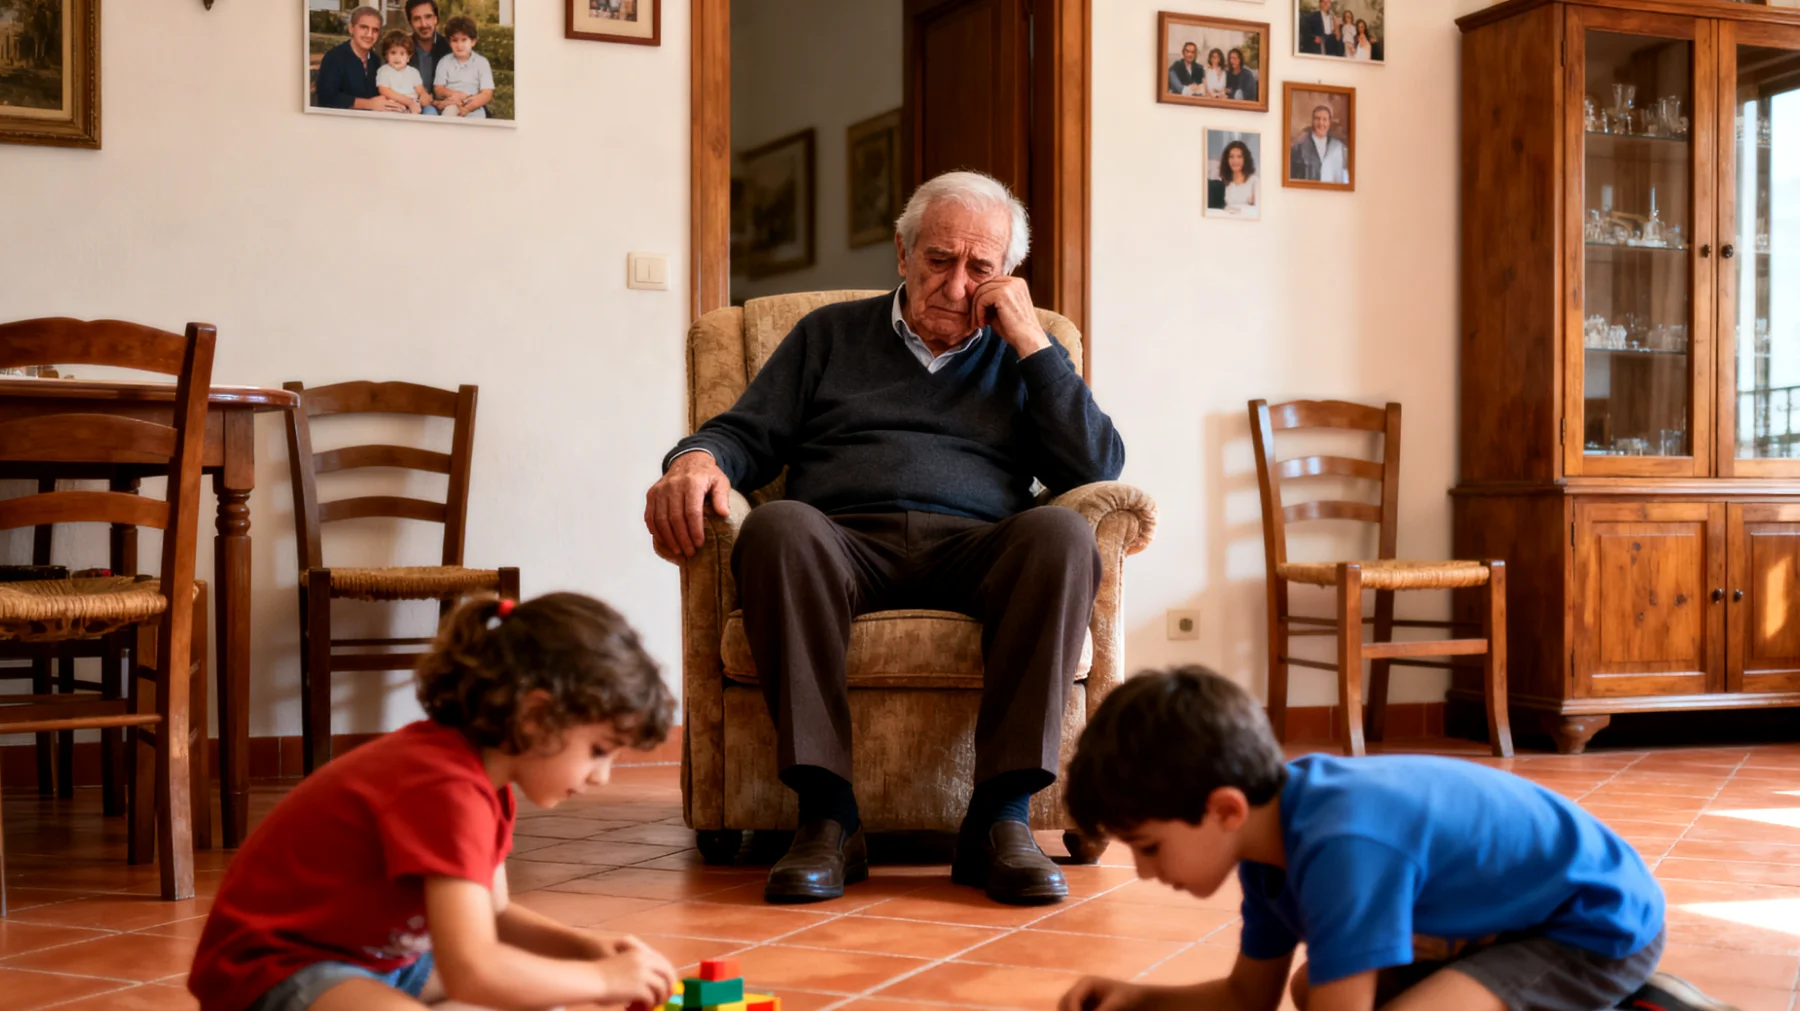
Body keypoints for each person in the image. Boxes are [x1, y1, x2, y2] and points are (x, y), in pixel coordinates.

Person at [645, 170, 1125, 908]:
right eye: (939, 259)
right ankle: (829, 815)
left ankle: (999, 818)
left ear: (1006, 276)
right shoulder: (827, 336)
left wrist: (1032, 340)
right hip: (843, 540)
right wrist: (695, 459)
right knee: (776, 525)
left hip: (978, 546)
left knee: (1061, 534)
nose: (957, 284)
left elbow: (1094, 466)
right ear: (901, 253)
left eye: (980, 268)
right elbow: (743, 434)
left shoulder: (1030, 351)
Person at [1055, 666, 1739, 1011]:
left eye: (1147, 845)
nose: (1145, 872)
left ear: (1225, 807)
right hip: (1512, 925)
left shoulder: (1342, 845)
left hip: (1595, 923)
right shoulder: (1268, 846)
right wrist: (1142, 998)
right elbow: (1247, 996)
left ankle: (1641, 1002)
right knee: (1310, 984)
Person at [186, 594, 680, 1011]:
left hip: (376, 959)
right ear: (535, 716)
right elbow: (474, 972)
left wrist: (587, 950)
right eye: (598, 751)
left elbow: (496, 915)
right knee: (502, 987)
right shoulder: (444, 787)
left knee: (535, 989)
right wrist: (604, 980)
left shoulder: (486, 782)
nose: (602, 776)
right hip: (273, 967)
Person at [313, 6, 404, 112]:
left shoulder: (375, 60)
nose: (369, 34)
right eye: (364, 27)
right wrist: (368, 104)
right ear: (351, 28)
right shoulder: (334, 57)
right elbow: (327, 98)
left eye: (375, 30)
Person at [434, 16, 495, 119]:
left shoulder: (482, 63)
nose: (459, 45)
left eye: (464, 40)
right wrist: (456, 95)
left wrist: (467, 106)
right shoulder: (444, 62)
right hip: (451, 104)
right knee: (449, 117)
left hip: (474, 104)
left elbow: (487, 93)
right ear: (449, 42)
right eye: (455, 40)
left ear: (473, 41)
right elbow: (438, 90)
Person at [375, 32, 434, 115]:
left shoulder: (413, 72)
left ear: (408, 57)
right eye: (393, 53)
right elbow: (384, 90)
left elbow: (420, 90)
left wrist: (424, 96)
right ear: (386, 55)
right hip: (393, 103)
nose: (397, 57)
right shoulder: (384, 70)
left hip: (412, 105)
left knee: (429, 111)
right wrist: (408, 102)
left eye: (402, 53)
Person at [1290, 103, 1349, 184]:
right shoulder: (1299, 146)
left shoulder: (1338, 147)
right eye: (1317, 119)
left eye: (1325, 119)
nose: (1321, 123)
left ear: (1329, 122)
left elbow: (1346, 177)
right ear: (1312, 121)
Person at [405, 0, 452, 99]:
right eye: (417, 19)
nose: (424, 24)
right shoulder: (401, 48)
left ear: (436, 19)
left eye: (428, 17)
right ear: (410, 22)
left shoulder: (451, 48)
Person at [1217, 140, 1258, 218]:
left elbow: (1259, 211)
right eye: (1231, 157)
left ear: (1245, 159)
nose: (1235, 161)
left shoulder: (1254, 181)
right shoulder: (1223, 182)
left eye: (1239, 157)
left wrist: (1238, 210)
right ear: (1227, 160)